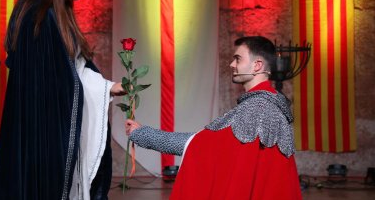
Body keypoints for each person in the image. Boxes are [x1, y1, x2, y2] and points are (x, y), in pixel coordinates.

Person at [0, 0, 123, 200]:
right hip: (42, 128)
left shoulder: (54, 13)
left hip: (48, 123)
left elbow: (71, 70)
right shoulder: (37, 14)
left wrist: (107, 87)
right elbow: (58, 79)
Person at [126, 36, 302, 200]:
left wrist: (141, 134)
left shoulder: (256, 108)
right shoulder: (269, 104)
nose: (232, 64)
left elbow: (199, 144)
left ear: (257, 65)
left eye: (238, 59)